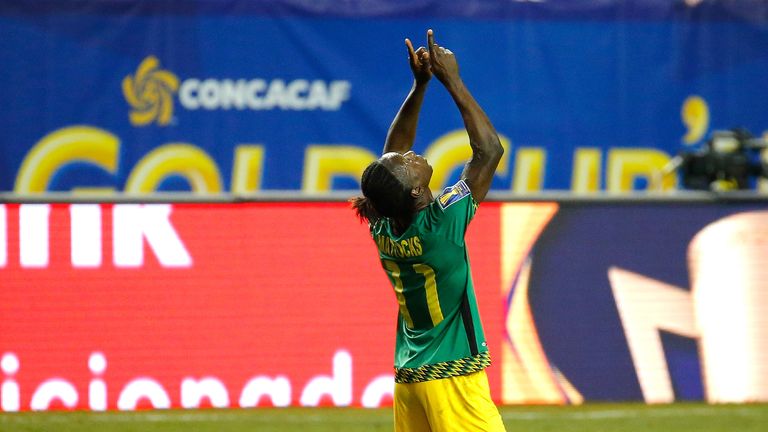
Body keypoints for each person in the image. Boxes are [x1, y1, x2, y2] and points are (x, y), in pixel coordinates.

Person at [352, 29, 506, 431]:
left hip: (410, 379)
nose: (410, 154)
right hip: (453, 380)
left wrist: (419, 86)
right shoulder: (440, 225)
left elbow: (389, 159)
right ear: (417, 189)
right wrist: (451, 79)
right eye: (407, 162)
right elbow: (489, 151)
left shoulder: (383, 224)